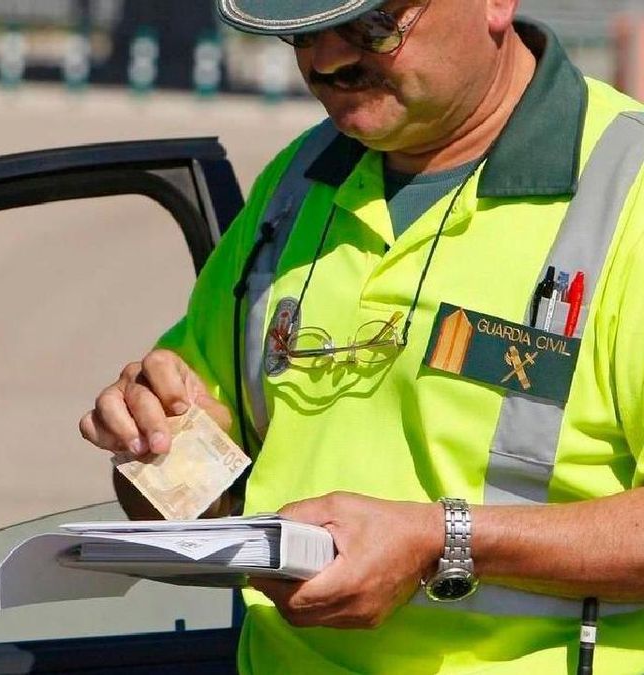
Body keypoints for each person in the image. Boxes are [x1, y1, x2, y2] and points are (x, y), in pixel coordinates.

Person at [80, 0, 644, 672]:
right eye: (303, 33)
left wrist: (444, 541)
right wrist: (151, 440)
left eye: (373, 25)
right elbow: (199, 498)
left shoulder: (625, 192)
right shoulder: (295, 186)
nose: (327, 61)